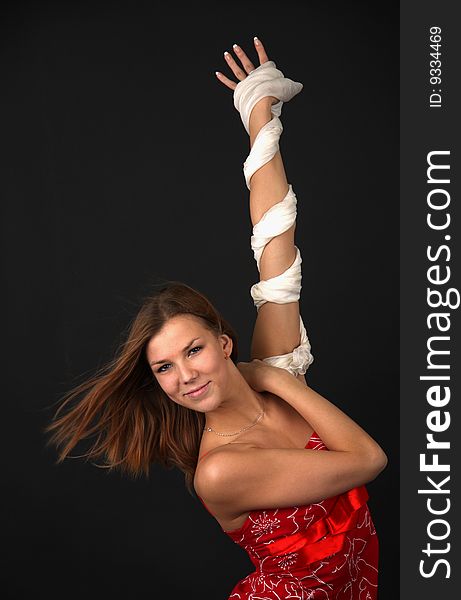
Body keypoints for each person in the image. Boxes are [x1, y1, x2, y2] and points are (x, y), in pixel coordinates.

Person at [45, 37, 388, 599]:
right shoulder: (220, 469)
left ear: (225, 344)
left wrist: (258, 111)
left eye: (193, 350)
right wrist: (276, 378)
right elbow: (369, 459)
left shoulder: (273, 371)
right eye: (163, 368)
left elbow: (274, 239)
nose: (185, 376)